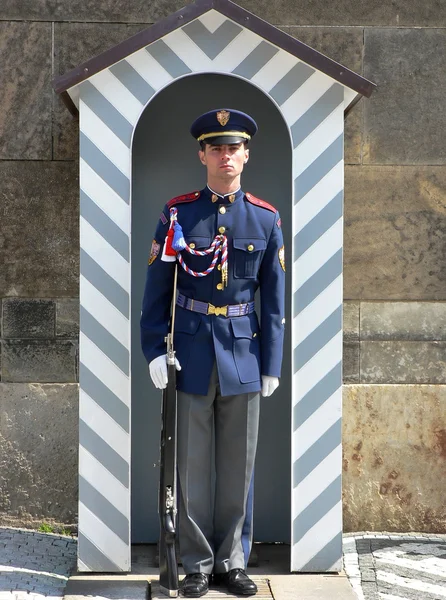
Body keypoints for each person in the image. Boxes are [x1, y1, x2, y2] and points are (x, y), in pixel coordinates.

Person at [140, 109, 285, 598]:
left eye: (234, 148)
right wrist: (153, 348)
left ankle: (233, 561)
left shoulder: (265, 218)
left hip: (243, 352)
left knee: (238, 464)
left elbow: (274, 299)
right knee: (191, 466)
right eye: (216, 148)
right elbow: (156, 288)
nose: (226, 156)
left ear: (246, 154)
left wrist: (271, 363)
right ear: (202, 154)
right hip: (192, 351)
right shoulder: (179, 214)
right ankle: (198, 563)